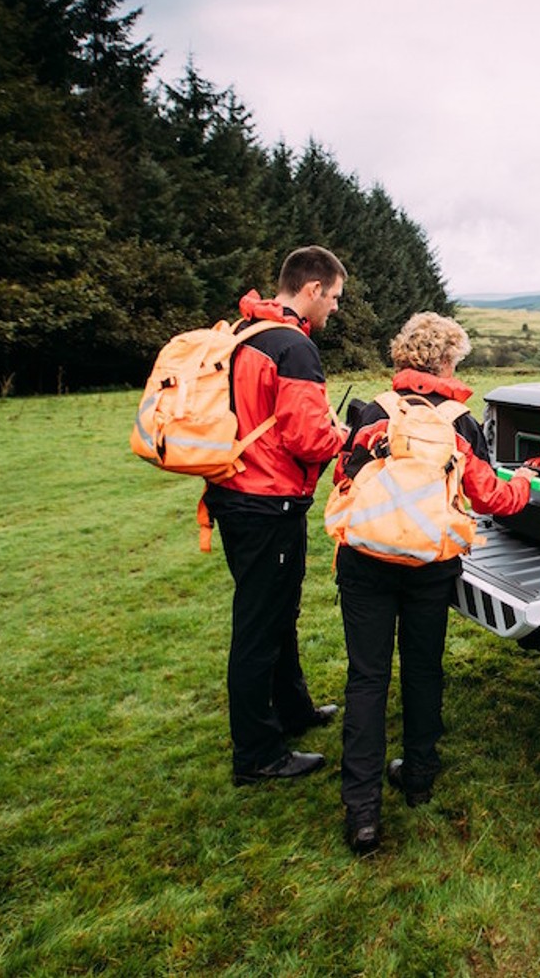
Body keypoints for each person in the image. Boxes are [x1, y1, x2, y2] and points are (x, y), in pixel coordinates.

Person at [330, 312, 537, 854]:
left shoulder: (375, 411)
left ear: (404, 358)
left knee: (366, 679)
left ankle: (363, 813)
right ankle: (419, 777)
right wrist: (527, 482)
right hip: (429, 564)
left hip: (365, 560)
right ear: (445, 362)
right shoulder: (460, 423)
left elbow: (342, 476)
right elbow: (493, 497)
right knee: (423, 668)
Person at [203, 246, 350, 786]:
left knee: (275, 613)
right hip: (268, 502)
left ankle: (293, 710)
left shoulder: (246, 332)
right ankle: (257, 754)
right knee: (260, 626)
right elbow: (309, 439)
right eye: (333, 298)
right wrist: (346, 435)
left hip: (235, 493)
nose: (334, 308)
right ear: (312, 289)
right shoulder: (294, 348)